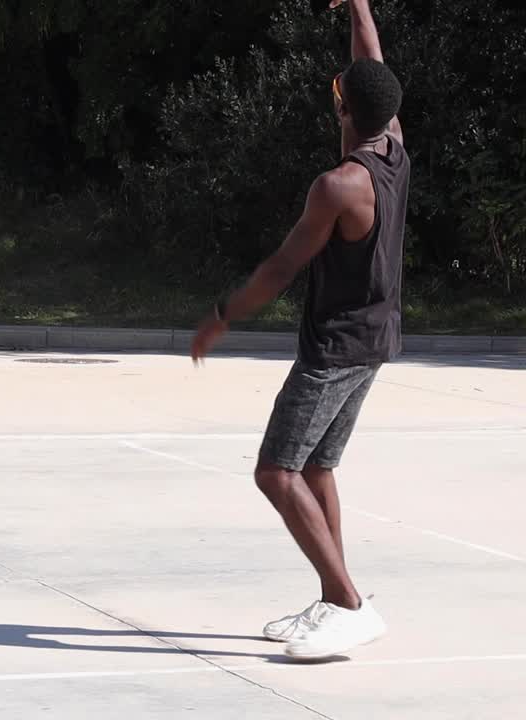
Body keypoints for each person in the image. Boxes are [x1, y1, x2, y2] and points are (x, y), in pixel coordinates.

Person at [189, 0, 409, 660]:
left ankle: (349, 604)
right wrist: (359, 5)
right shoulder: (393, 146)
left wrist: (220, 319)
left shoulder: (339, 185)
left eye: (337, 98)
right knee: (316, 466)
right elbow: (369, 61)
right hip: (374, 340)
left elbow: (283, 266)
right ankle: (332, 599)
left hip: (336, 349)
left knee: (276, 472)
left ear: (345, 113)